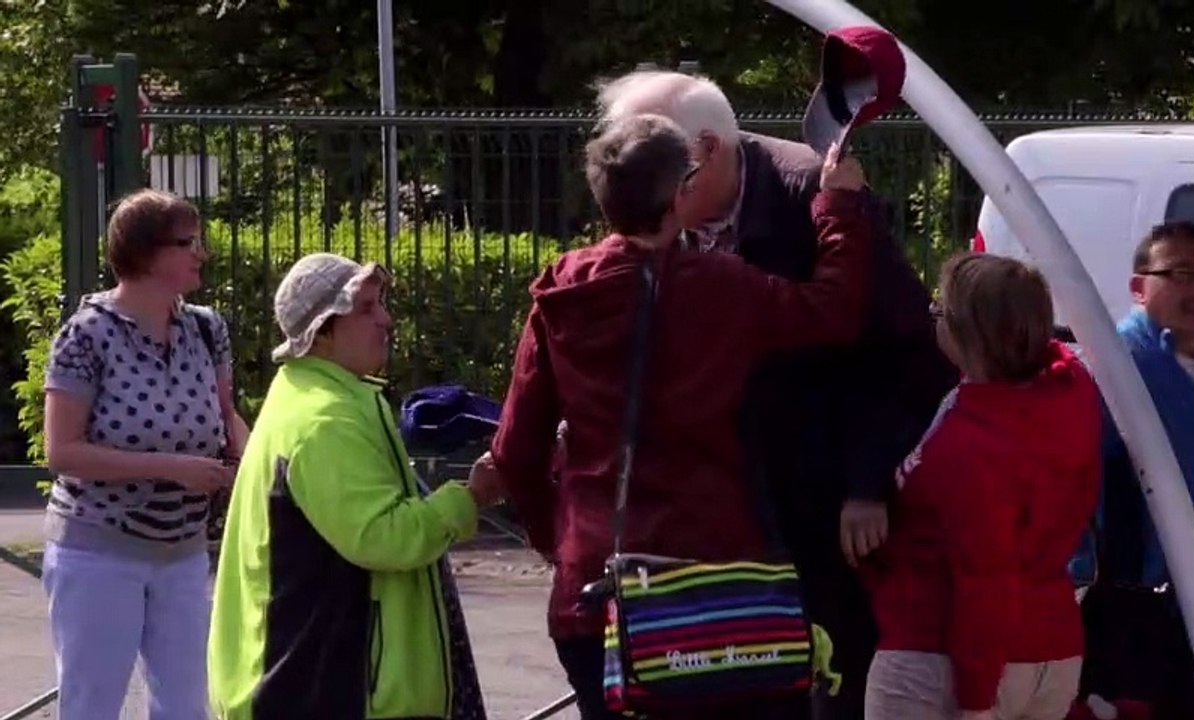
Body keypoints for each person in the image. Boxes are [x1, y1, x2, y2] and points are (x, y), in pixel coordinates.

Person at [594, 62, 958, 718]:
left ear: (707, 151)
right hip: (710, 513)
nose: (634, 182)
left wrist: (866, 482)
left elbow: (901, 348)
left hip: (817, 505)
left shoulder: (812, 196)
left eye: (653, 162)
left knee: (827, 676)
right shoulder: (654, 216)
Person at [486, 113, 877, 719]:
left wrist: (559, 541)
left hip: (599, 592)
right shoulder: (720, 286)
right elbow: (833, 311)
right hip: (714, 587)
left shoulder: (563, 291)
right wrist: (837, 207)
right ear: (680, 193)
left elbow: (515, 451)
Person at [207, 253, 501, 720]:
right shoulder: (324, 420)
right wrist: (472, 496)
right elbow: (384, 536)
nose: (385, 319)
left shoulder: (315, 396)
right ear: (321, 332)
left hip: (309, 689)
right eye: (365, 308)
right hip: (322, 694)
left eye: (380, 303)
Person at [859, 253, 1101, 720]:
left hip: (946, 656)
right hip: (1053, 647)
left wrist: (976, 700)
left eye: (940, 310)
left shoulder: (967, 446)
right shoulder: (1072, 395)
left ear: (964, 331)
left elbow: (985, 578)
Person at [41, 188, 244, 720]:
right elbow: (62, 452)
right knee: (91, 707)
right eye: (187, 243)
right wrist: (171, 469)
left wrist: (246, 463)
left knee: (185, 707)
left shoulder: (207, 328)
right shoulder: (86, 335)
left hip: (183, 551)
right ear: (146, 253)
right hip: (98, 550)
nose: (201, 253)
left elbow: (227, 416)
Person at [1072, 221, 1194, 720]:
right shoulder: (1113, 369)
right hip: (1124, 617)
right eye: (1182, 273)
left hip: (1192, 620)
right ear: (1139, 286)